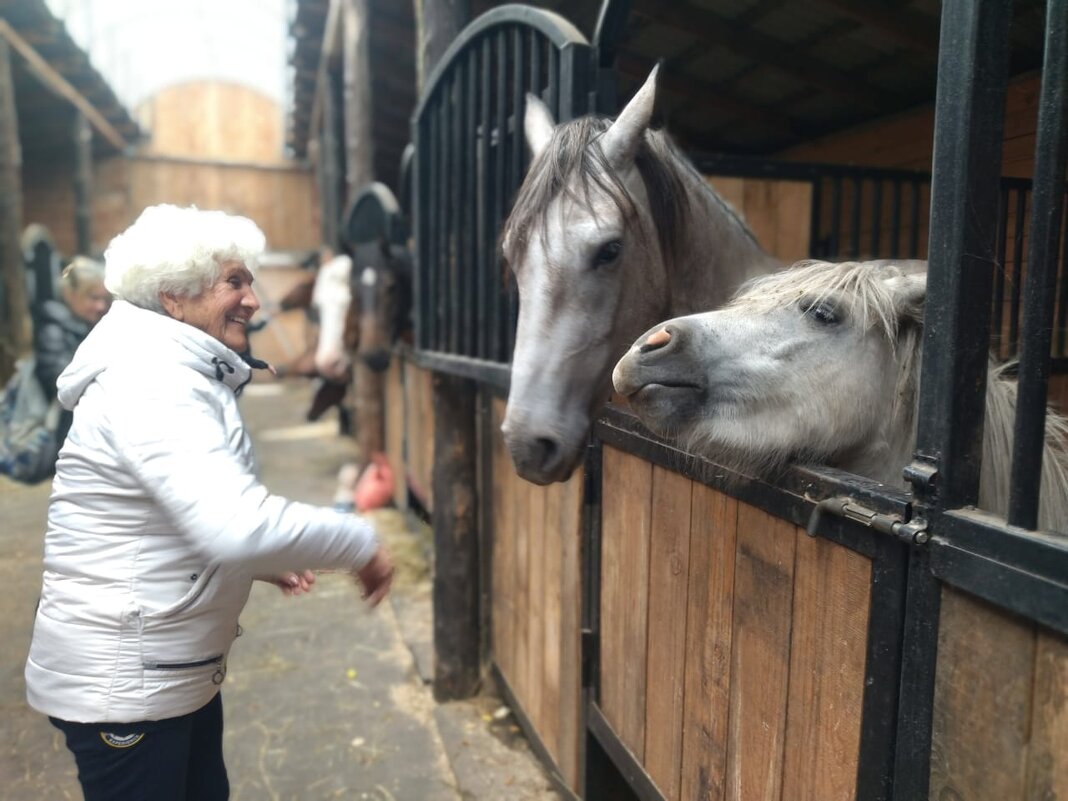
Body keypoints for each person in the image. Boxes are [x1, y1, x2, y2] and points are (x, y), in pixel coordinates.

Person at [24, 204, 394, 801]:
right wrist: (360, 544)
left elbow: (183, 511)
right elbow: (235, 523)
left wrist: (254, 563)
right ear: (173, 297)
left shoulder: (178, 373)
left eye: (250, 280)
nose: (253, 299)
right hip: (127, 683)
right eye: (235, 281)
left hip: (164, 668)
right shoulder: (154, 382)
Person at [32, 256, 110, 451]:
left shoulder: (87, 324)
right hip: (66, 433)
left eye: (103, 299)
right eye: (93, 298)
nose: (101, 306)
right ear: (70, 294)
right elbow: (57, 376)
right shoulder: (53, 328)